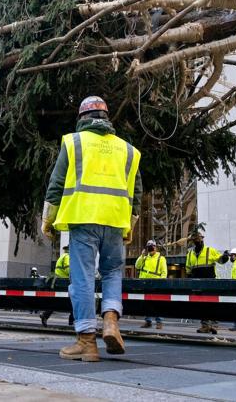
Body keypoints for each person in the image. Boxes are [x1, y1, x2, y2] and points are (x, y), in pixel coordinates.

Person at [42, 96, 142, 362]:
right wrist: (130, 224)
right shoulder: (127, 149)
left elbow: (56, 184)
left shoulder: (74, 142)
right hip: (115, 222)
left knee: (83, 278)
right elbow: (137, 191)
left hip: (84, 219)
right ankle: (110, 320)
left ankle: (87, 342)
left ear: (82, 119)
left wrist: (47, 220)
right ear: (107, 119)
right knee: (111, 272)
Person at [185, 228, 226, 334]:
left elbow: (220, 260)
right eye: (195, 239)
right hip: (197, 283)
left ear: (202, 239)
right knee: (201, 305)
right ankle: (205, 326)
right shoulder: (190, 254)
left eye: (199, 238)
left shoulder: (210, 250)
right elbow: (188, 269)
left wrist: (225, 257)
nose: (197, 241)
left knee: (212, 304)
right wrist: (190, 282)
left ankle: (213, 325)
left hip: (210, 282)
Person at [136, 239, 167, 329]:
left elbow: (164, 272)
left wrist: (161, 284)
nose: (150, 249)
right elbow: (137, 266)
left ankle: (159, 322)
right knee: (146, 303)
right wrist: (142, 255)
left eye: (152, 247)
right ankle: (148, 321)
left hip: (156, 284)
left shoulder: (161, 258)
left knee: (157, 303)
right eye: (149, 247)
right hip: (145, 283)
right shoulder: (144, 258)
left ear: (155, 247)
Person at [40, 246, 74, 327]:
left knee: (57, 302)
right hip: (64, 283)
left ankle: (45, 315)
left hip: (59, 282)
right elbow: (68, 270)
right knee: (74, 301)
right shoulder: (67, 257)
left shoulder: (62, 256)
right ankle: (71, 322)